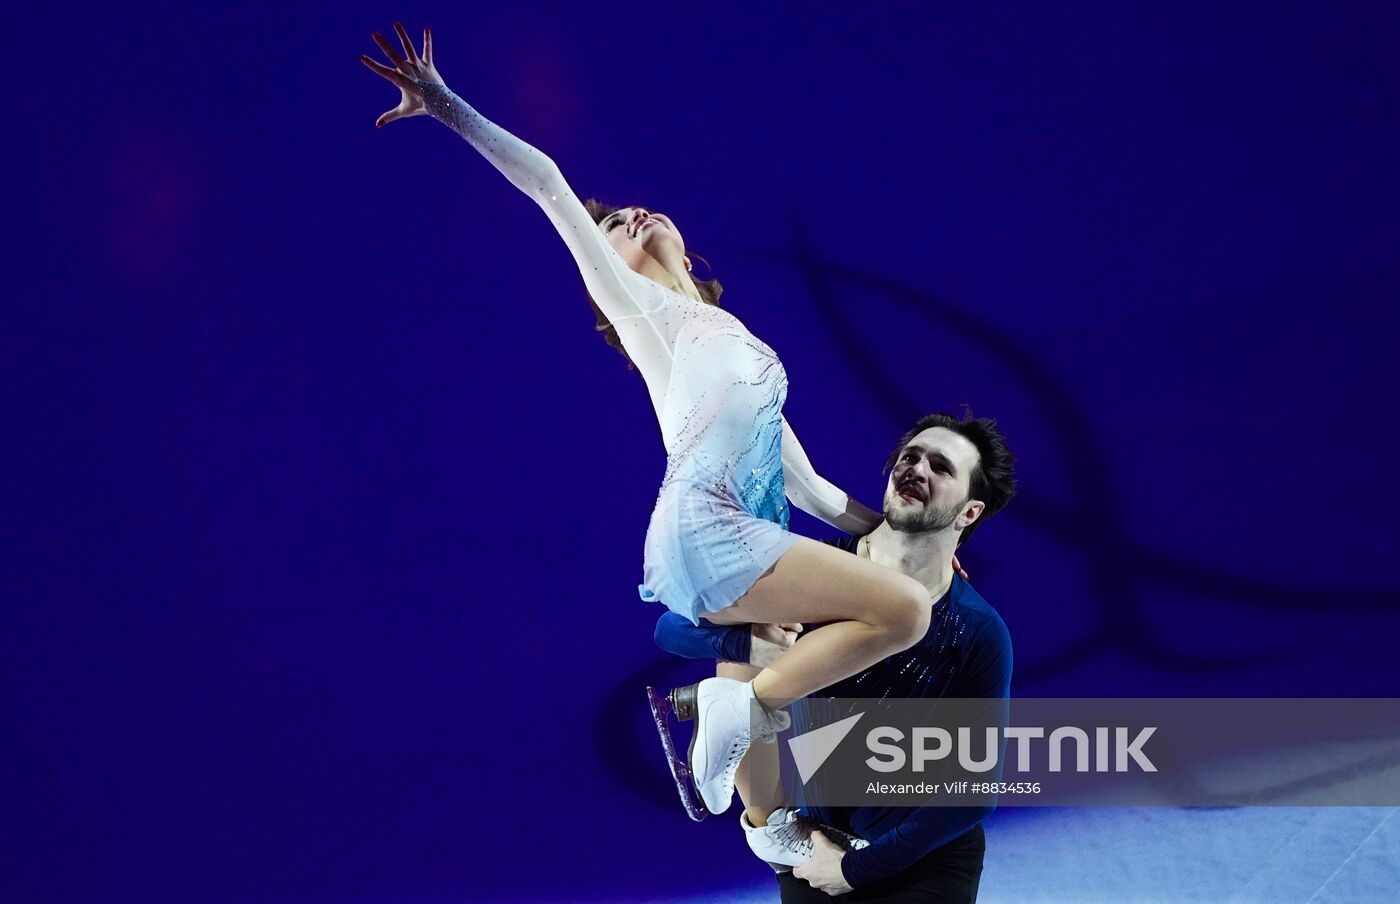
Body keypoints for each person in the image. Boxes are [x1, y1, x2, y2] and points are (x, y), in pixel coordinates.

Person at [360, 24, 1000, 818]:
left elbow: (815, 491)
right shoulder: (645, 318)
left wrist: (925, 540)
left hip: (743, 535)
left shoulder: (736, 343)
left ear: (689, 249)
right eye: (613, 229)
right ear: (606, 280)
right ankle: (733, 703)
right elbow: (551, 184)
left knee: (752, 789)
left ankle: (768, 817)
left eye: (631, 211)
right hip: (707, 530)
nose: (629, 217)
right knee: (902, 611)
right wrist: (448, 105)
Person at [656, 413, 1015, 901]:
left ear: (969, 513)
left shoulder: (977, 629)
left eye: (941, 467)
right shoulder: (818, 578)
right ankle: (759, 795)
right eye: (910, 456)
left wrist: (855, 868)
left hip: (919, 856)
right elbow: (672, 626)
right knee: (739, 651)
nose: (917, 468)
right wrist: (744, 643)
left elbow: (973, 791)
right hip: (811, 842)